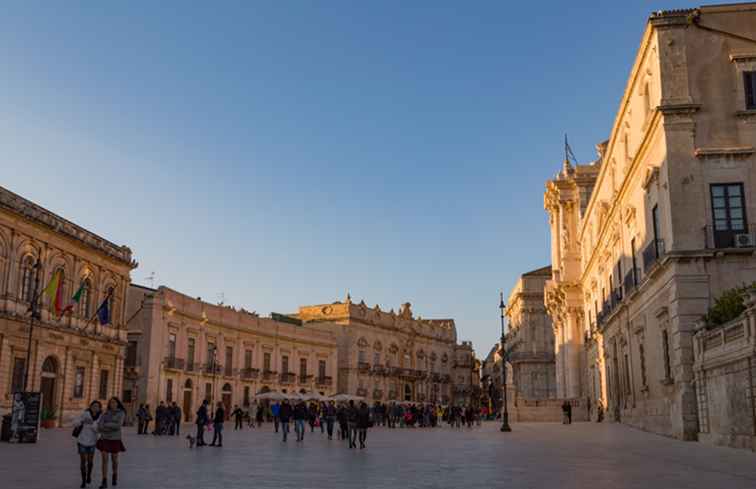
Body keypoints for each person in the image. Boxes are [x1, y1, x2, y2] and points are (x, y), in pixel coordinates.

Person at [96, 397, 126, 489]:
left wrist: (106, 424)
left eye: (114, 402)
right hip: (105, 438)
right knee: (104, 460)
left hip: (115, 439)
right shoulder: (105, 413)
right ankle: (104, 480)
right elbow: (99, 426)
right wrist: (109, 425)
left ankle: (114, 474)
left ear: (117, 403)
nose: (112, 404)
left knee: (114, 460)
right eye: (111, 403)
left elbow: (118, 425)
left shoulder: (121, 413)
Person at [74, 400, 101, 488]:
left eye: (97, 406)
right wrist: (80, 422)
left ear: (99, 408)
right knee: (83, 461)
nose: (95, 408)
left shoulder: (100, 417)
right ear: (90, 406)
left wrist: (94, 425)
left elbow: (99, 429)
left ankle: (89, 475)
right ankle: (83, 481)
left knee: (90, 461)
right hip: (82, 440)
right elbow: (77, 422)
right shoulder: (85, 413)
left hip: (92, 442)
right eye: (93, 406)